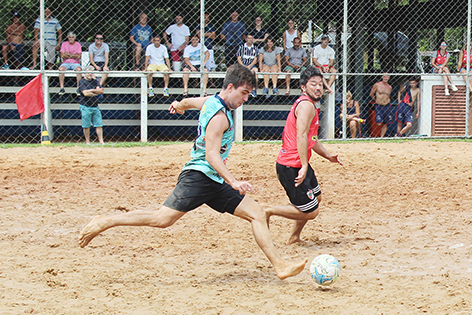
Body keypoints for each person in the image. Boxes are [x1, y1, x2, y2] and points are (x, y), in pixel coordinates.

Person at [78, 64, 308, 280]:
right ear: (230, 87)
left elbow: (189, 102)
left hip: (214, 179)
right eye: (244, 93)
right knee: (162, 219)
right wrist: (234, 181)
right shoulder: (219, 118)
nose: (246, 99)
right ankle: (106, 221)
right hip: (199, 176)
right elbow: (211, 155)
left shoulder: (212, 101)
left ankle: (279, 265)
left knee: (256, 213)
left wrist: (178, 105)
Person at [264, 66, 342, 245]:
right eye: (313, 84)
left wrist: (328, 156)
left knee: (317, 198)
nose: (318, 88)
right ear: (303, 87)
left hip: (298, 163)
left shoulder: (310, 105)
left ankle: (294, 237)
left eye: (320, 85)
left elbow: (311, 139)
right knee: (311, 211)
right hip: (291, 165)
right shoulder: (306, 105)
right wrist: (305, 166)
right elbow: (300, 135)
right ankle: (267, 210)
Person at [78, 66, 105, 145]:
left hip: (95, 106)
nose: (89, 74)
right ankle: (87, 141)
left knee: (99, 124)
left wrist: (91, 91)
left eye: (91, 72)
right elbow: (85, 93)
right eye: (88, 72)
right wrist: (95, 91)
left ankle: (101, 141)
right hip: (85, 106)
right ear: (84, 73)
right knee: (86, 126)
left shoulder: (95, 81)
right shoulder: (82, 81)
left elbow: (101, 90)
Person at [370, 73, 393, 138]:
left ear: (389, 78)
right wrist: (376, 100)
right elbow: (371, 93)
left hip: (387, 105)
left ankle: (381, 137)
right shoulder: (377, 85)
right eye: (384, 76)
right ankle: (375, 134)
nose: (385, 78)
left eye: (387, 77)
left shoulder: (389, 87)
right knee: (379, 122)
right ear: (382, 77)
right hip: (379, 105)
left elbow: (389, 96)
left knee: (385, 123)